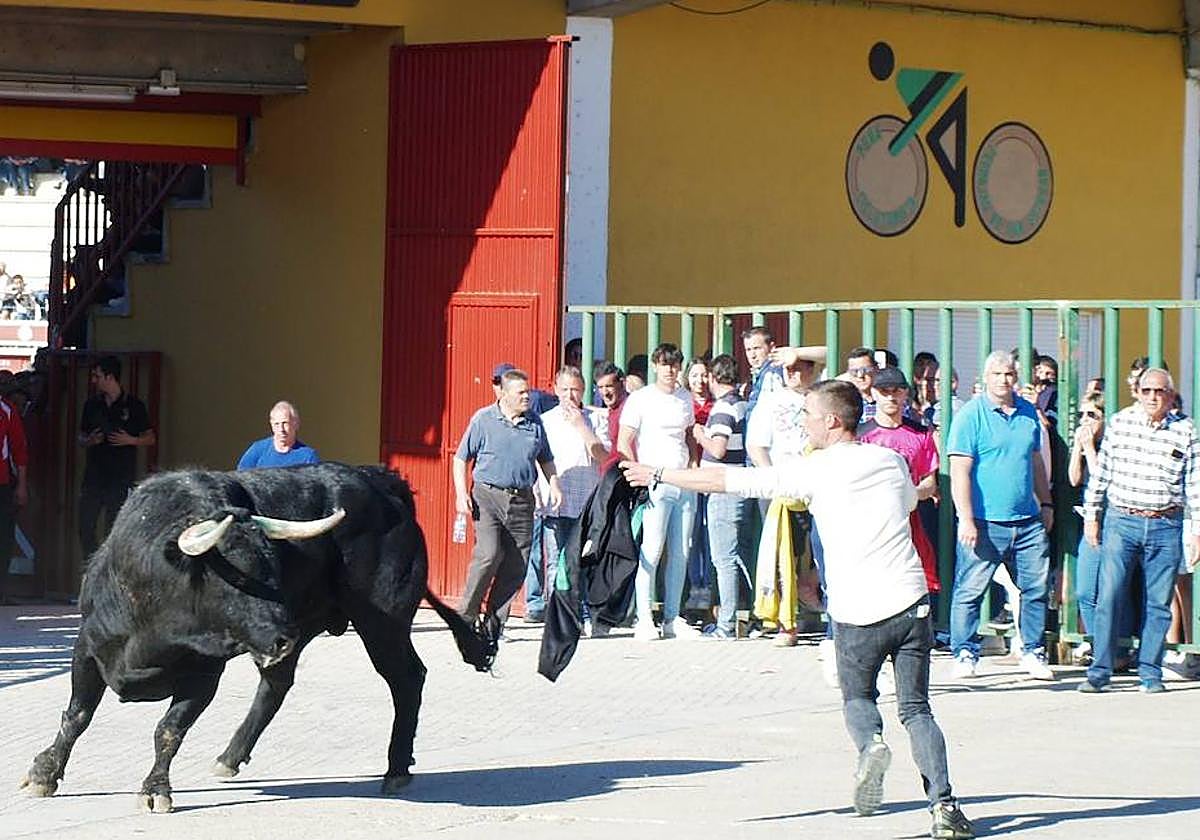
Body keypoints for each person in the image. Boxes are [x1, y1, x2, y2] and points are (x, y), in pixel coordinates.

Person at [621, 380, 973, 840]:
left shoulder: (813, 470)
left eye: (807, 414)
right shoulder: (890, 461)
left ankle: (871, 744)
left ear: (832, 421)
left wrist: (658, 474)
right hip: (909, 602)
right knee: (916, 709)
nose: (802, 422)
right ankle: (945, 808)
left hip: (856, 609)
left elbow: (727, 480)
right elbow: (910, 499)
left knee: (858, 698)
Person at [1079, 368, 1200, 694]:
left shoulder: (1185, 430)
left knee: (1159, 603)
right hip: (1123, 521)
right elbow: (1102, 474)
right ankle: (1099, 672)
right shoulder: (1120, 423)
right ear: (1137, 392)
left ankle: (1150, 673)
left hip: (1166, 523)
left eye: (1159, 391)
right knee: (1109, 596)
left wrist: (1197, 531)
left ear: (1170, 395)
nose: (1152, 397)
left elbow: (1195, 483)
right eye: (1146, 390)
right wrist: (1092, 516)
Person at [947, 350, 1055, 680]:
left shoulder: (1027, 412)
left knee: (1035, 589)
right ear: (985, 378)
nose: (1003, 380)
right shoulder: (970, 415)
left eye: (1008, 374)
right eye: (996, 374)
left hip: (1027, 520)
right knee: (970, 591)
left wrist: (1046, 503)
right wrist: (966, 518)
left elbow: (1035, 461)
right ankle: (965, 652)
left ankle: (1033, 651)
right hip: (984, 521)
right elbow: (959, 470)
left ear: (1016, 377)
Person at [454, 368, 561, 634]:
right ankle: (465, 618)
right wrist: (460, 493)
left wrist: (554, 485)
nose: (527, 397)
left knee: (517, 565)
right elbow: (460, 458)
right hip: (487, 496)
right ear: (504, 394)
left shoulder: (534, 422)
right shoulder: (484, 419)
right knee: (488, 554)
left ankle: (493, 626)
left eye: (527, 391)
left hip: (522, 501)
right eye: (521, 392)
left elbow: (545, 458)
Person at [617, 342, 698, 641]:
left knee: (681, 552)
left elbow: (689, 436)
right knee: (651, 550)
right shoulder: (640, 399)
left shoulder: (685, 397)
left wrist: (693, 465)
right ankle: (644, 618)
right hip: (654, 481)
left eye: (674, 365)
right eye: (664, 364)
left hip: (683, 481)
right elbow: (624, 440)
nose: (670, 370)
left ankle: (672, 618)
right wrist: (636, 473)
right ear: (654, 366)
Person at [535, 365, 609, 631]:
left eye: (575, 389)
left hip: (587, 502)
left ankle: (585, 613)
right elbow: (538, 460)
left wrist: (581, 425)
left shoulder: (596, 419)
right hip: (556, 502)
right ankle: (560, 617)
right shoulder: (545, 421)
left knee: (584, 560)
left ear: (584, 390)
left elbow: (603, 456)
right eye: (565, 389)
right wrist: (538, 492)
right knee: (556, 562)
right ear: (555, 390)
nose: (570, 395)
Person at [858, 367, 940, 593]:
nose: (891, 397)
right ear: (874, 393)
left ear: (905, 394)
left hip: (912, 520)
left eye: (897, 390)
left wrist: (907, 496)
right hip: (872, 521)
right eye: (884, 391)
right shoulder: (861, 436)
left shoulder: (921, 434)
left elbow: (929, 483)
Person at [692, 354, 751, 639]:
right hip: (740, 486)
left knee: (723, 559)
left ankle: (726, 625)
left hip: (724, 488)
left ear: (713, 378)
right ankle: (744, 617)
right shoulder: (742, 402)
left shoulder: (723, 408)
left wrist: (699, 434)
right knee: (737, 556)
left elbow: (717, 449)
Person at [78, 355, 156, 564]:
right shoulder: (92, 405)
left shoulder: (133, 405)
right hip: (94, 476)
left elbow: (150, 438)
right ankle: (92, 567)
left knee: (113, 529)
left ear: (110, 377)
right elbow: (80, 437)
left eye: (97, 376)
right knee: (85, 526)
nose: (94, 380)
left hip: (120, 477)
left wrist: (131, 440)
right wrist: (89, 440)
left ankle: (109, 570)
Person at [0, 389, 28, 605]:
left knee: (3, 537)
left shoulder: (7, 410)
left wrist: (22, 485)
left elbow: (19, 450)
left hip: (2, 483)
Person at [236, 401, 320, 469]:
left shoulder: (308, 456)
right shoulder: (257, 449)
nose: (281, 429)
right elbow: (240, 477)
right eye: (277, 424)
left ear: (296, 424)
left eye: (285, 423)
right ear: (272, 426)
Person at [595, 361, 628, 473]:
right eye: (600, 387)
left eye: (609, 386)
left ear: (622, 384)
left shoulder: (629, 410)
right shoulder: (614, 410)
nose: (605, 392)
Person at [844, 347, 878, 421]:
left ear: (876, 369)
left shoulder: (889, 398)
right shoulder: (845, 402)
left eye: (865, 370)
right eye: (854, 371)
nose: (860, 376)